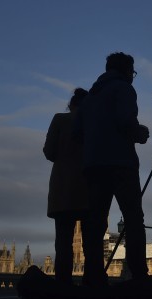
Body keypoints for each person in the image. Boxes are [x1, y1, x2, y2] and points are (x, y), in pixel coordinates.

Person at [75, 52, 150, 287]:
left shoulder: (89, 98)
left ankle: (93, 276)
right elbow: (126, 121)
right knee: (133, 219)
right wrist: (141, 133)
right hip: (121, 163)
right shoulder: (124, 89)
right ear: (127, 71)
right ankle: (138, 275)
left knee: (94, 222)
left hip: (93, 165)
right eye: (133, 72)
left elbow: (77, 133)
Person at [43, 88, 90, 285]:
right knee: (91, 241)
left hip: (63, 186)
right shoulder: (94, 123)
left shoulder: (60, 119)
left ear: (70, 105)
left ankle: (63, 282)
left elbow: (49, 151)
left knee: (63, 241)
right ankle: (93, 281)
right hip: (89, 186)